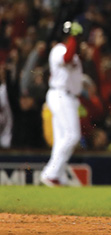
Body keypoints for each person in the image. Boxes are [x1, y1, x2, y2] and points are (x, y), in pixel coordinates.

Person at [40, 21, 84, 187]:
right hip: (60, 95)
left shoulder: (72, 53)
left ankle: (57, 175)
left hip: (68, 97)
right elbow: (67, 58)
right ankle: (50, 173)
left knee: (62, 140)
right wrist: (73, 36)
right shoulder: (58, 50)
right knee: (72, 136)